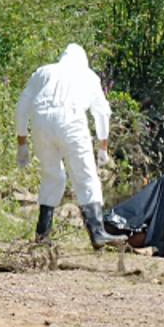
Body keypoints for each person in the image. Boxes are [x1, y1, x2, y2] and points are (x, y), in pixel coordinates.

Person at [15, 43, 125, 248]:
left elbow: (22, 107)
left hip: (40, 122)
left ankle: (42, 235)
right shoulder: (88, 76)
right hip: (71, 121)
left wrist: (22, 143)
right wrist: (103, 147)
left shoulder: (43, 72)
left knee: (52, 175)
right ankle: (98, 233)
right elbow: (102, 112)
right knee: (86, 177)